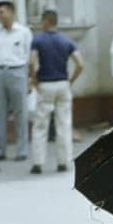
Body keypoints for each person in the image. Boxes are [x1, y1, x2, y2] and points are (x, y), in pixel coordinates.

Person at [28, 9, 84, 174]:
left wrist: (34, 79)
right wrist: (71, 81)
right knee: (64, 124)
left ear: (46, 21)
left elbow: (32, 62)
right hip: (62, 84)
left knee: (40, 125)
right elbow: (80, 64)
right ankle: (63, 162)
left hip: (45, 84)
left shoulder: (37, 40)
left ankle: (38, 163)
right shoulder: (67, 40)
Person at [0, 0, 32, 161]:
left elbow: (29, 56)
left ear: (11, 12)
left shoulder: (23, 32)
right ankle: (0, 150)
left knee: (21, 112)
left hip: (18, 72)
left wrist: (29, 78)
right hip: (0, 73)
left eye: (2, 12)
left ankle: (22, 150)